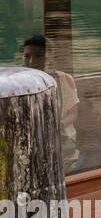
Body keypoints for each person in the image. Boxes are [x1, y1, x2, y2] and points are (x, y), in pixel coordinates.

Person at [22, 35, 79, 172]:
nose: (31, 61)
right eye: (27, 56)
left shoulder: (65, 79)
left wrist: (55, 128)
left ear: (50, 56)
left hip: (62, 141)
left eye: (38, 55)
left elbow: (73, 113)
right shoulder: (20, 83)